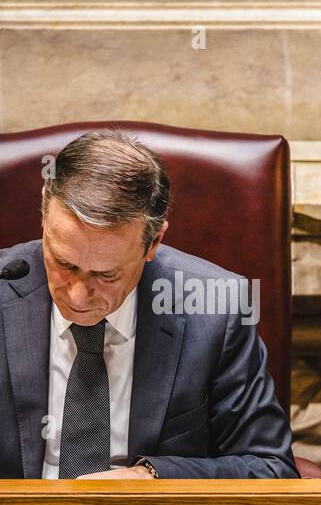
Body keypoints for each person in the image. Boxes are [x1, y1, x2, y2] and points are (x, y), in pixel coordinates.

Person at [0, 129, 297, 478]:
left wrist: (151, 478)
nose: (78, 296)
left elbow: (270, 467)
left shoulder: (215, 309)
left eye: (106, 275)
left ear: (154, 241)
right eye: (64, 264)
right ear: (44, 217)